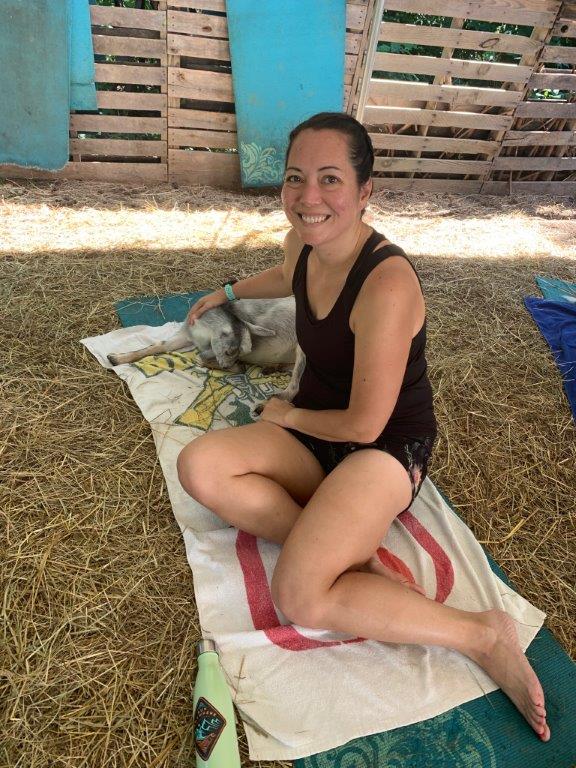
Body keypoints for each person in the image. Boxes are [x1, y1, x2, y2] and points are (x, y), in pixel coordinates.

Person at [177, 112, 550, 742]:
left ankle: (481, 633)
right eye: (296, 179)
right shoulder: (305, 241)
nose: (308, 198)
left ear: (365, 190)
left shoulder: (387, 283)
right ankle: (350, 556)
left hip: (382, 446)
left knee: (302, 595)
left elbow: (366, 421)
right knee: (200, 466)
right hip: (318, 433)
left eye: (329, 180)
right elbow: (287, 276)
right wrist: (226, 289)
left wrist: (287, 413)